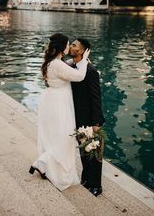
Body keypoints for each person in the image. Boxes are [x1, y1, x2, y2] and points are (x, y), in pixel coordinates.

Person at [29, 33, 90, 191]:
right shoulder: (57, 64)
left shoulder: (50, 61)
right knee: (64, 138)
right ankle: (42, 162)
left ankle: (45, 164)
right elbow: (80, 76)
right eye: (68, 44)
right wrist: (84, 59)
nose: (69, 47)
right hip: (59, 103)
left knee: (53, 137)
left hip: (50, 100)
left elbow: (64, 66)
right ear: (62, 47)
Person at [68, 38, 105, 196]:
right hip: (77, 116)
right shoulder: (72, 66)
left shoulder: (90, 70)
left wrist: (96, 122)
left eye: (74, 45)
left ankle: (96, 185)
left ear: (81, 51)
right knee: (84, 151)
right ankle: (86, 179)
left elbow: (96, 98)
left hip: (90, 119)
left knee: (94, 153)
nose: (71, 46)